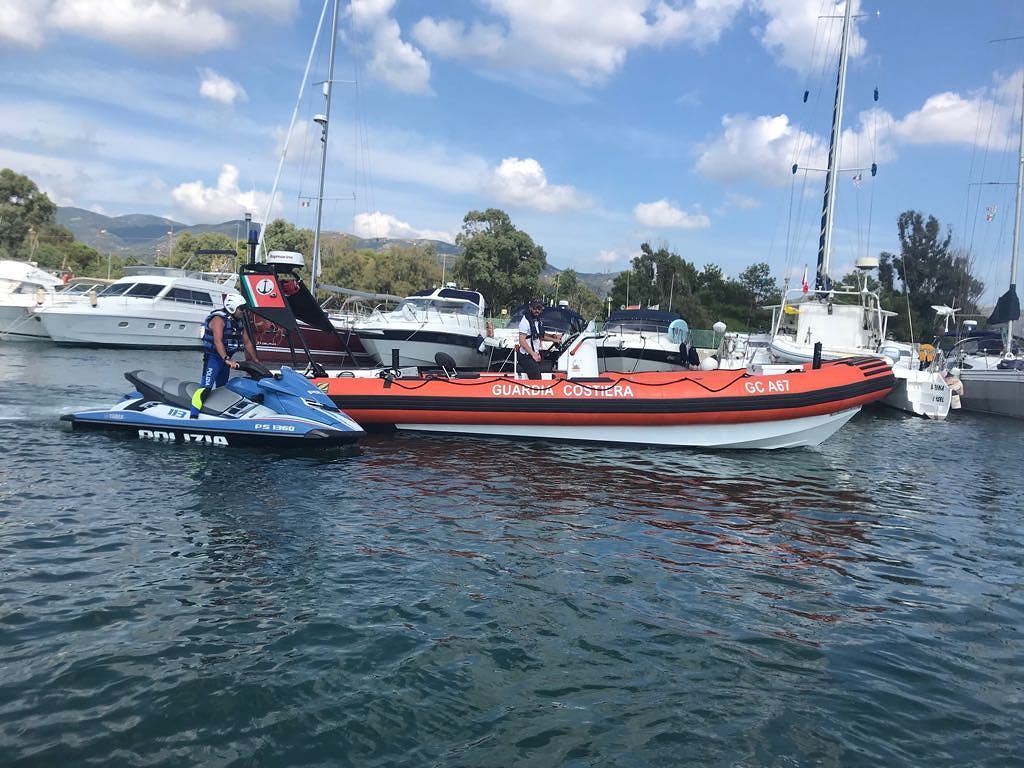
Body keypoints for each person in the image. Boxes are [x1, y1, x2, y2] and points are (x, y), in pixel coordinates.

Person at [200, 294, 259, 389]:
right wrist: (226, 359)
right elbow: (217, 341)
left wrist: (256, 361)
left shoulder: (239, 322)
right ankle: (195, 404)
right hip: (214, 358)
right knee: (205, 388)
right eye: (241, 309)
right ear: (232, 308)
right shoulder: (218, 319)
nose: (243, 312)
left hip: (226, 360)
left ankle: (218, 403)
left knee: (222, 388)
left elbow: (247, 343)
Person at [517, 298, 562, 380]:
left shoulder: (537, 321)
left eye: (539, 308)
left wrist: (554, 338)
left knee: (549, 365)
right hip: (525, 356)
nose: (537, 310)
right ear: (530, 308)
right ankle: (537, 390)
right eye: (535, 308)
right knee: (537, 376)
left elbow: (541, 336)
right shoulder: (525, 322)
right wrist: (533, 354)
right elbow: (522, 341)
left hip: (534, 354)